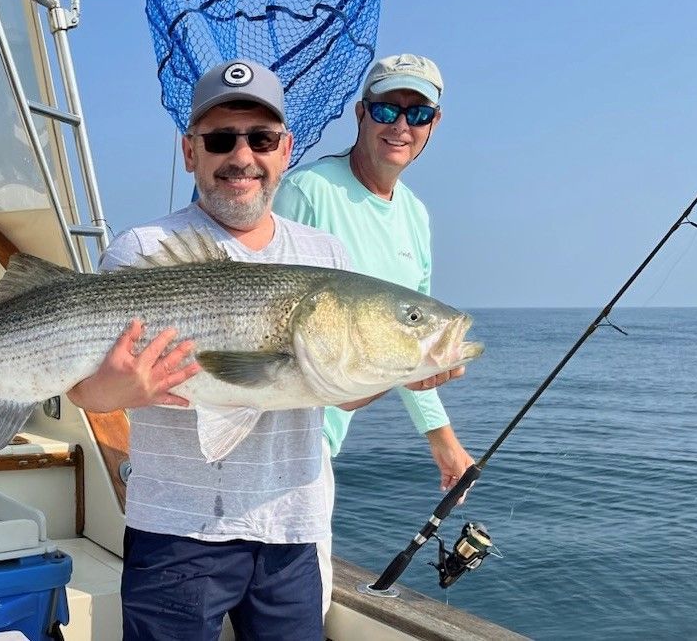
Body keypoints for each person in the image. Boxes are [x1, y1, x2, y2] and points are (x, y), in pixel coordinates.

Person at [68, 59, 351, 641]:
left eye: (262, 139)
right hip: (176, 532)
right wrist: (122, 389)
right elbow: (86, 393)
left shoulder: (326, 256)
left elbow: (345, 391)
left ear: (285, 150)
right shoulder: (145, 248)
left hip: (292, 530)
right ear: (190, 152)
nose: (242, 157)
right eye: (221, 139)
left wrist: (406, 366)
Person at [272, 53, 475, 611]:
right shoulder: (309, 191)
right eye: (387, 107)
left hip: (322, 446)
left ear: (435, 124)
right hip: (281, 430)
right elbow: (266, 317)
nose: (400, 125)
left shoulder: (416, 215)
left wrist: (444, 445)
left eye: (418, 113)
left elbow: (418, 346)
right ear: (361, 113)